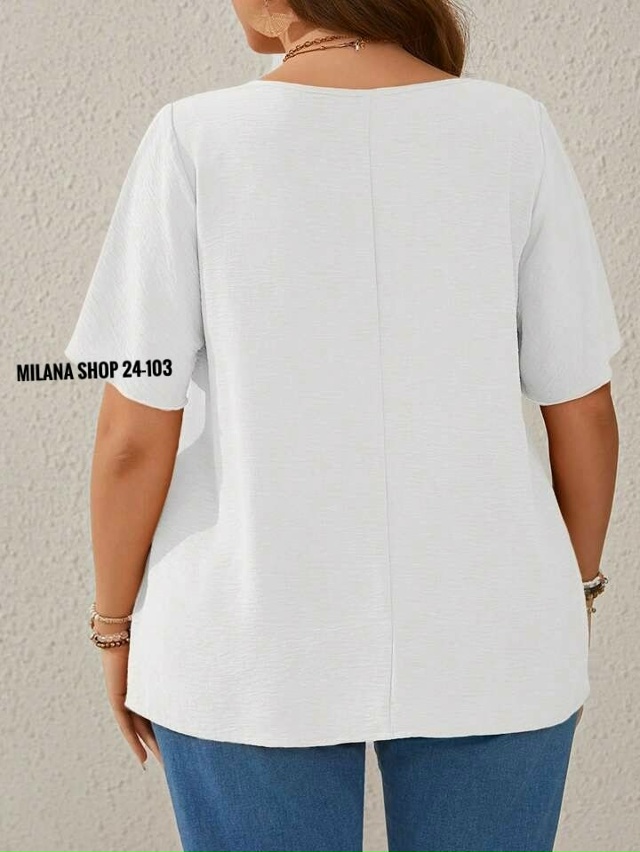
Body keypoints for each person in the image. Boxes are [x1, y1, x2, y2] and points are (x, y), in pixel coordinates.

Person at [64, 0, 622, 850]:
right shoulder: (515, 130)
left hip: (247, 637)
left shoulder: (194, 139)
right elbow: (582, 408)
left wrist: (113, 627)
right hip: (494, 628)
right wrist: (574, 591)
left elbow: (133, 438)